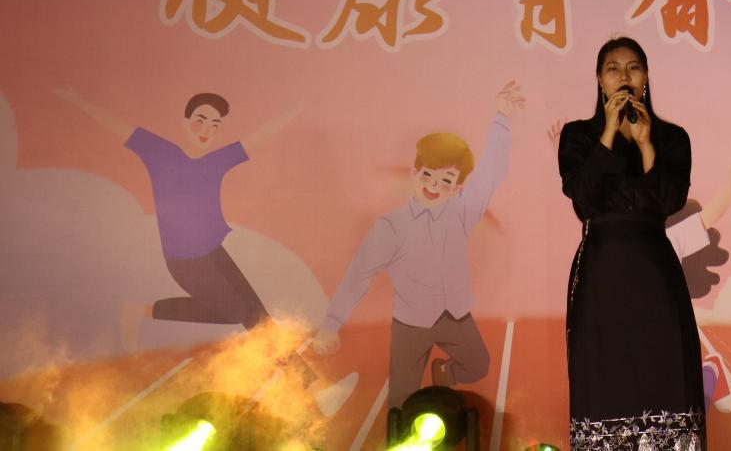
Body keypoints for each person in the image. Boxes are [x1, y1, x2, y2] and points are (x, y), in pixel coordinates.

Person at [313, 80, 524, 410]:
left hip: (453, 316)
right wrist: (331, 325)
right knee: (401, 403)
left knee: (478, 364)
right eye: (427, 175)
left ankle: (444, 372)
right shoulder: (390, 227)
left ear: (457, 188)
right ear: (414, 173)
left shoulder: (463, 212)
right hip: (410, 323)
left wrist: (502, 118)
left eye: (446, 180)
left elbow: (490, 172)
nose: (434, 185)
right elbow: (358, 276)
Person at [550, 118, 731, 414]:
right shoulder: (601, 228)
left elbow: (715, 211)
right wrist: (565, 156)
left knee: (665, 400)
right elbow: (583, 188)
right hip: (614, 323)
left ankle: (709, 375)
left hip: (656, 327)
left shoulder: (666, 236)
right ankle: (708, 375)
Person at [56, 87, 302, 336]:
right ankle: (143, 310)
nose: (206, 131)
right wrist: (77, 100)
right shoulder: (162, 153)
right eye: (200, 121)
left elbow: (260, 136)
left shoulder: (216, 161)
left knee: (255, 312)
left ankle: (290, 361)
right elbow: (117, 126)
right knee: (235, 312)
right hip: (184, 261)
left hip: (212, 250)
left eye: (215, 126)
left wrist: (296, 110)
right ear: (185, 122)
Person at [559, 37, 705, 451]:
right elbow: (583, 197)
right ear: (599, 80)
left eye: (633, 67)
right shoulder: (578, 136)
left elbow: (668, 201)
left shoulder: (671, 137)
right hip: (601, 269)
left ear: (646, 77)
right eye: (613, 68)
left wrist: (645, 144)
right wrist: (608, 133)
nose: (623, 76)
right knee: (604, 377)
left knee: (666, 373)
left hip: (653, 269)